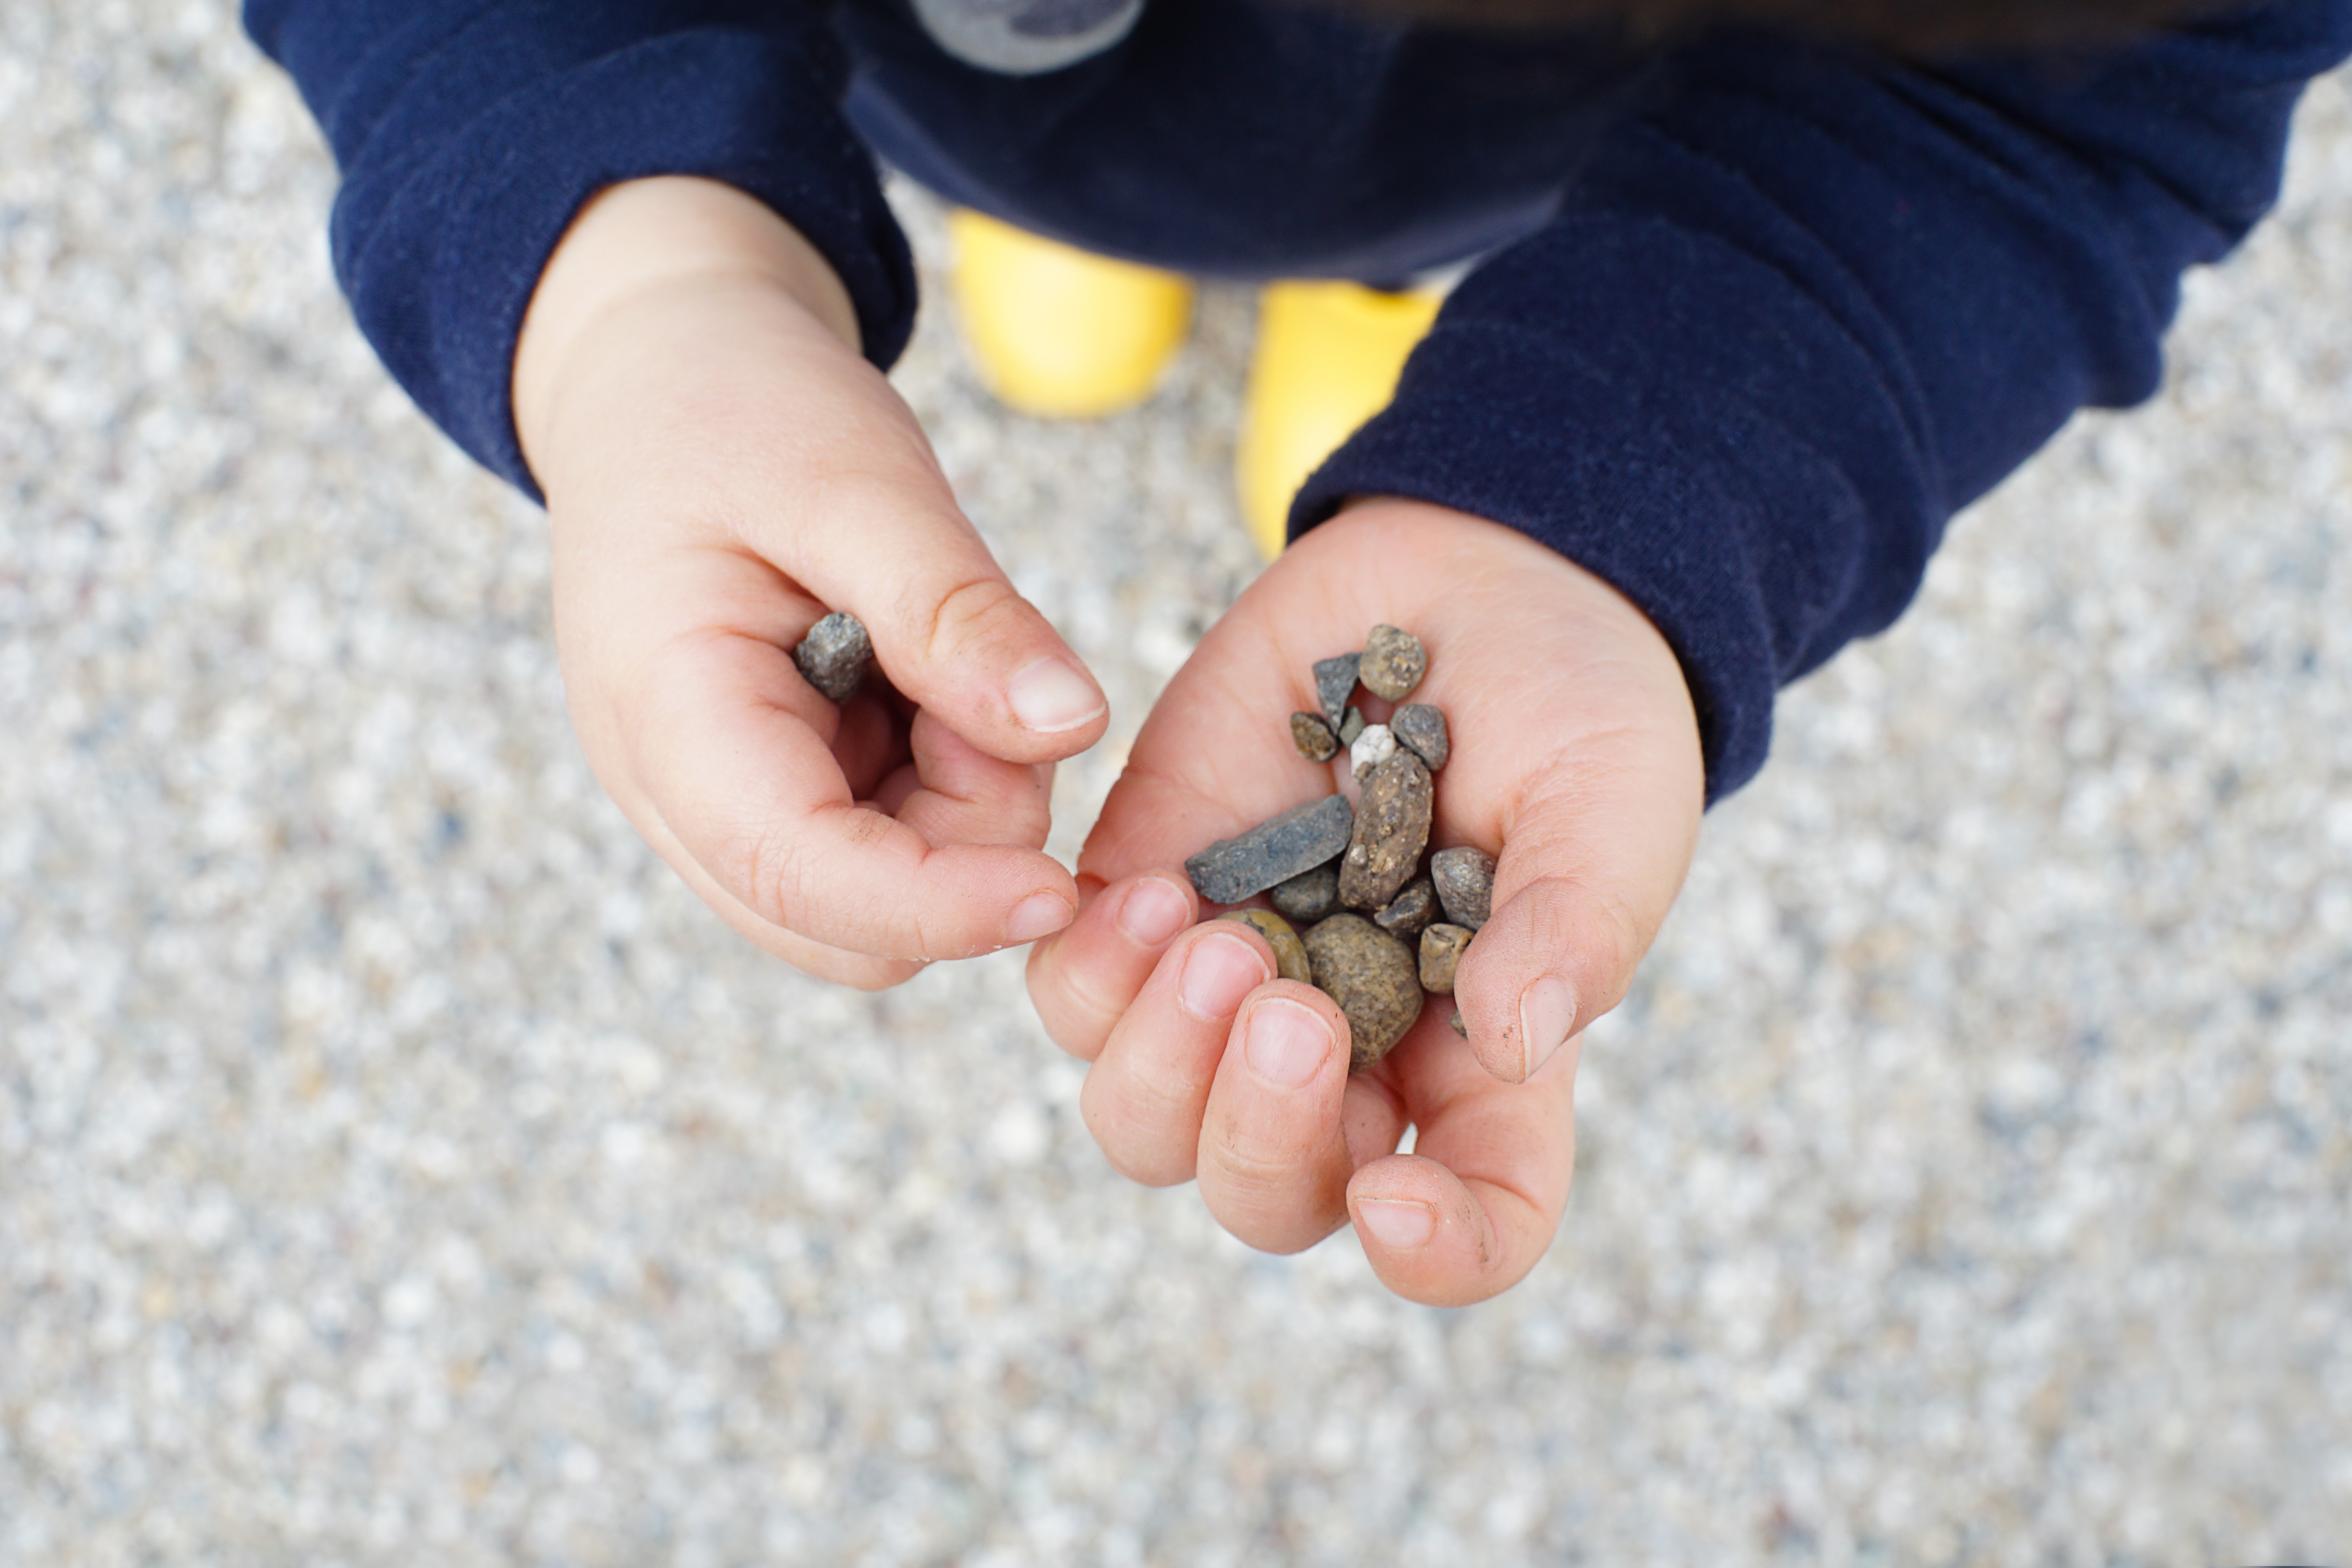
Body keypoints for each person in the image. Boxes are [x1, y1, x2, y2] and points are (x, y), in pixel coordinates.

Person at [243, 0, 2352, 1305]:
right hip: (975, 58)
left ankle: (1414, 310)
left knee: (1417, 225)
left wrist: (1597, 487)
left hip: (1546, 119)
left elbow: (2052, 113)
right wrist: (642, 260)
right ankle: (1063, 197)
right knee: (1070, 142)